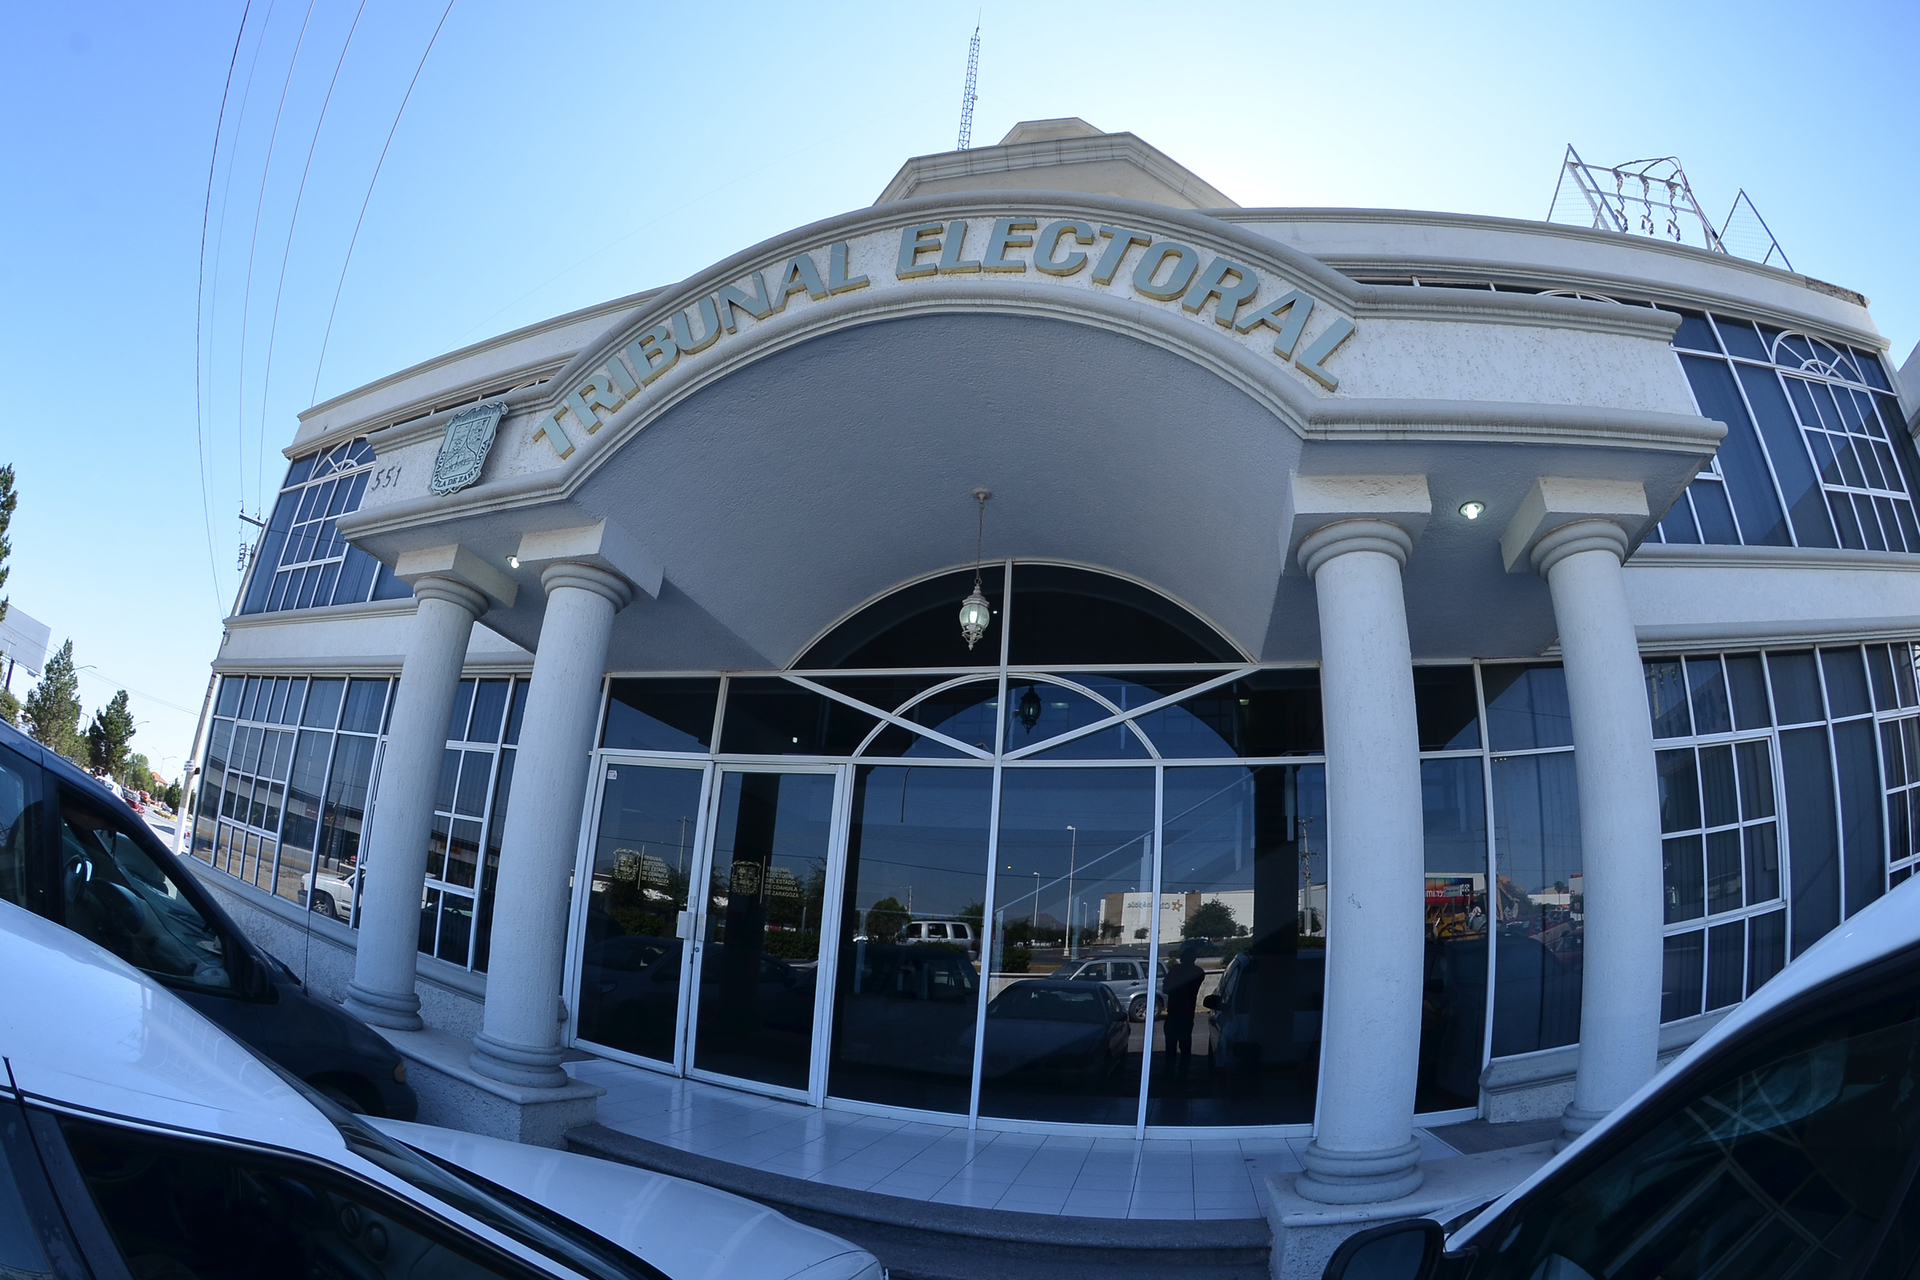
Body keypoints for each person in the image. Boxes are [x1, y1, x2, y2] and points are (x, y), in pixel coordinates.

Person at [1162, 943, 1205, 1079]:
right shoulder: (1197, 972)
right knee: (1182, 1046)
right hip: (1183, 1014)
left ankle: (1173, 1074)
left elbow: (1167, 988)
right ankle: (1179, 1074)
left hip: (1179, 1013)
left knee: (1173, 1046)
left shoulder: (1181, 971)